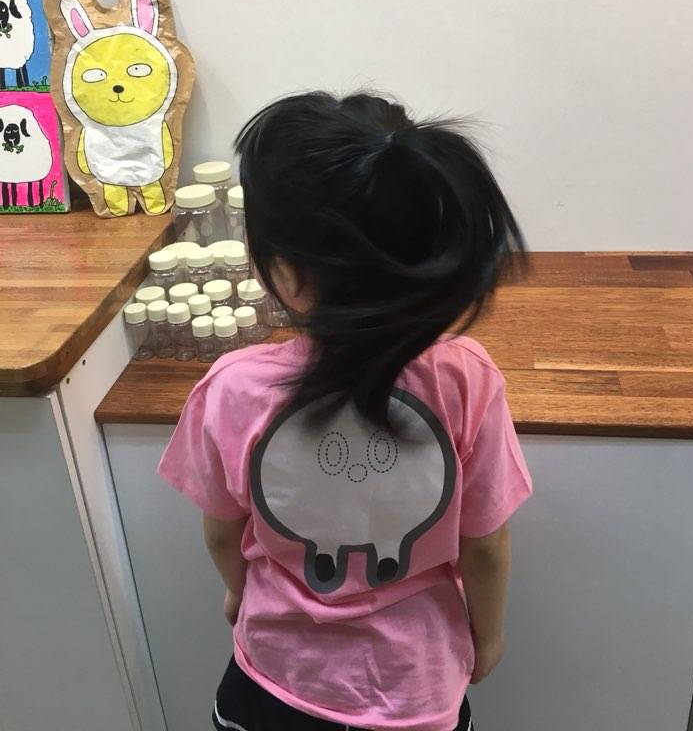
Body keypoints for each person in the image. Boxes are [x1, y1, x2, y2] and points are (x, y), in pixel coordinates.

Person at [158, 91, 533, 731]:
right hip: (416, 692)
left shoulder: (233, 388)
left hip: (272, 683)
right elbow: (486, 548)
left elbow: (222, 533)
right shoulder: (465, 379)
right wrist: (488, 636)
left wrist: (238, 591)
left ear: (285, 272)